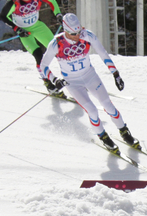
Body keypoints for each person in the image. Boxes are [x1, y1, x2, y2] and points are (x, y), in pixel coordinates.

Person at [38, 13, 138, 153]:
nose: (77, 36)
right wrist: (55, 80)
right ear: (65, 31)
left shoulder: (87, 35)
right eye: (73, 33)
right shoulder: (56, 43)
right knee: (91, 110)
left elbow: (103, 53)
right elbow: (43, 66)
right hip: (72, 82)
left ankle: (125, 132)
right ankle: (103, 137)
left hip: (90, 76)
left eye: (78, 32)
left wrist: (115, 74)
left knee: (108, 104)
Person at [0, 0, 65, 94]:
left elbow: (51, 1)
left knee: (58, 48)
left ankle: (72, 76)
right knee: (38, 54)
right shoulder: (14, 2)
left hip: (37, 26)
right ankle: (49, 84)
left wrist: (58, 15)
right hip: (24, 32)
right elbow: (3, 16)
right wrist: (17, 29)